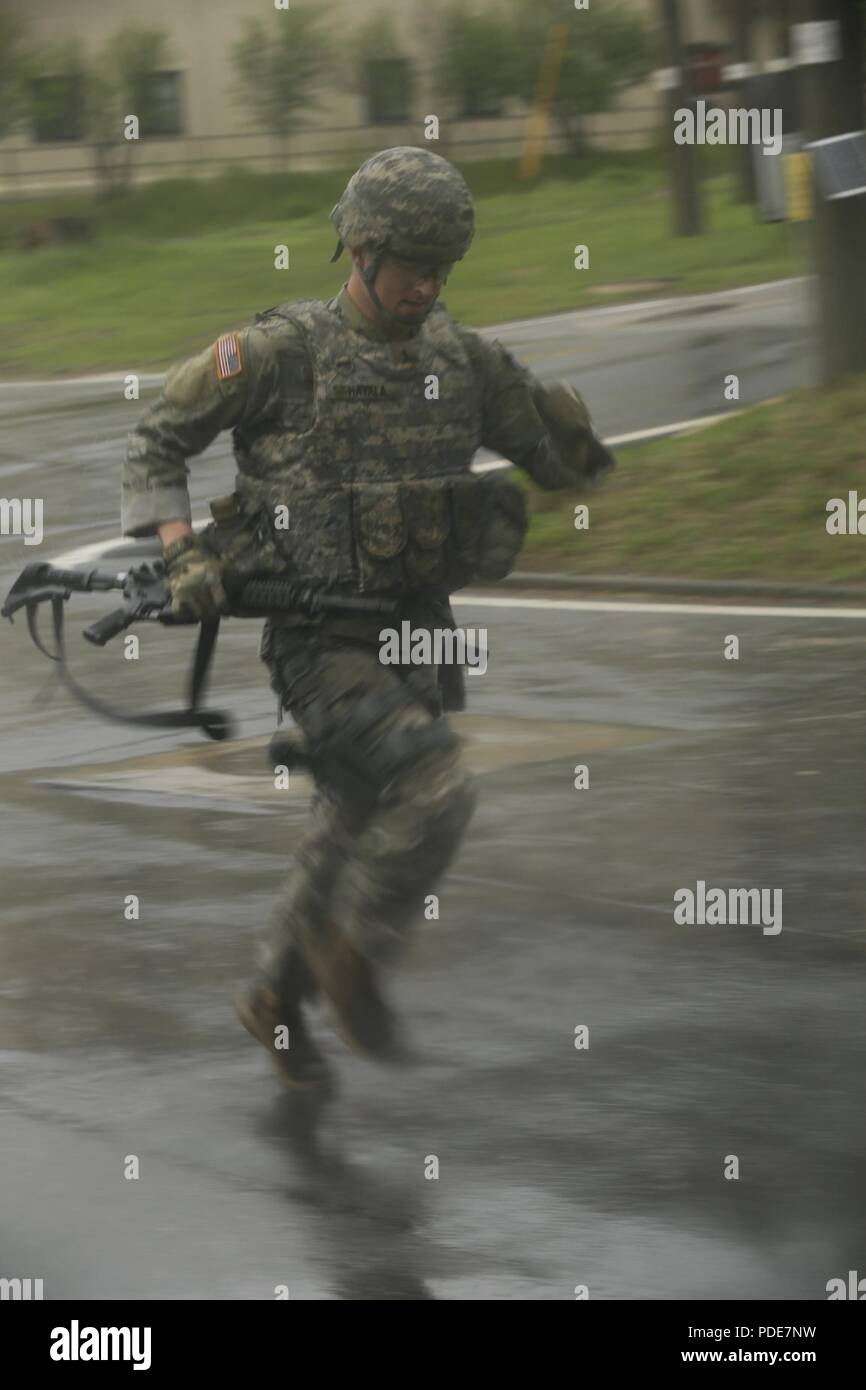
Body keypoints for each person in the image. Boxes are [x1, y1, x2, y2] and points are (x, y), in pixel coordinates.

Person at [121, 146, 614, 1092]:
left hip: (418, 633)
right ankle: (356, 961)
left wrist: (571, 431)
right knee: (435, 787)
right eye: (410, 266)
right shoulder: (278, 354)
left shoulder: (462, 362)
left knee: (352, 819)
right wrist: (182, 552)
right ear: (360, 248)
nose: (426, 286)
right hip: (317, 637)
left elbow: (566, 469)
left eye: (442, 269)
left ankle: (275, 995)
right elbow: (157, 438)